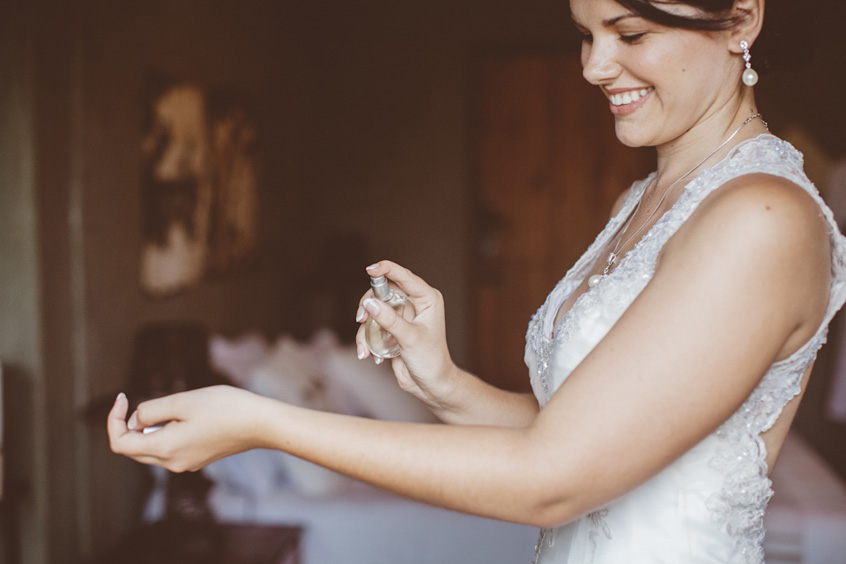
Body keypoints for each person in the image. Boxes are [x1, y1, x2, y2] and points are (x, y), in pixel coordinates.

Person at [108, 0, 846, 562]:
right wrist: (445, 383)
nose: (594, 66)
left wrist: (262, 422)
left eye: (630, 34)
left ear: (741, 20)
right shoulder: (643, 200)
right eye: (585, 35)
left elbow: (553, 479)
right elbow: (586, 435)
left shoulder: (762, 217)